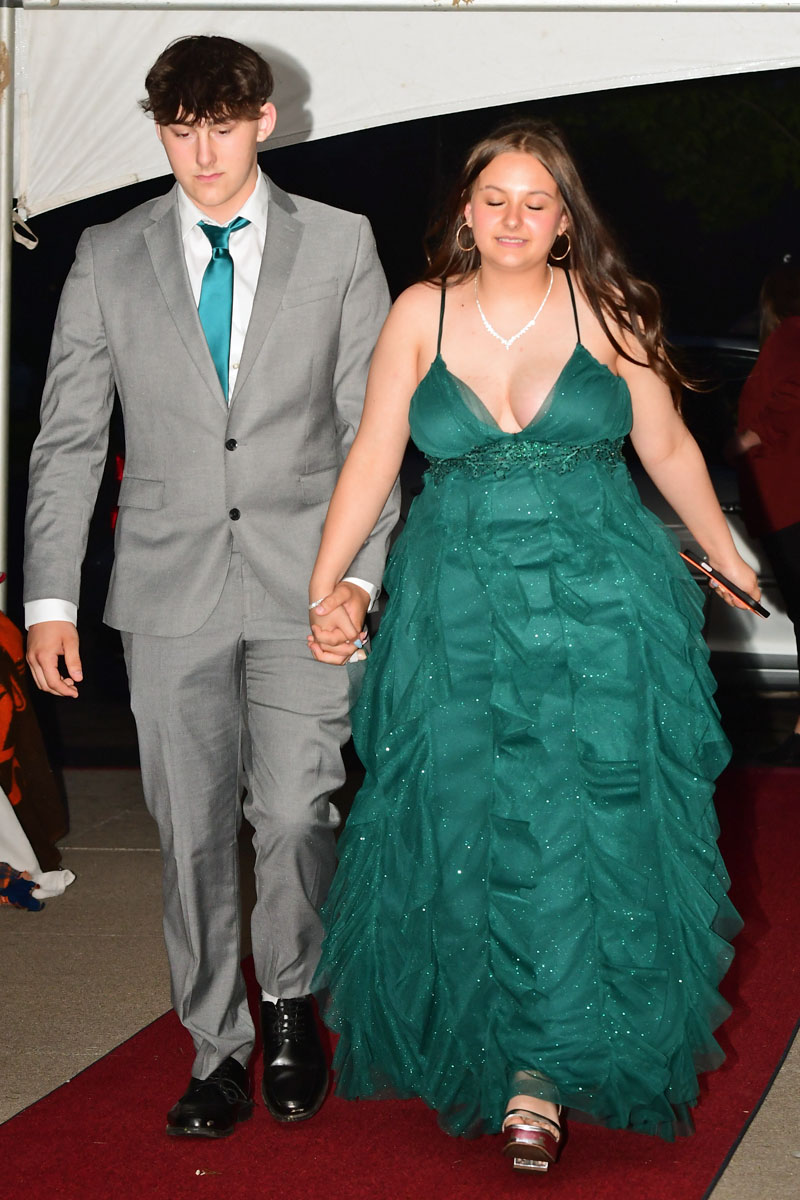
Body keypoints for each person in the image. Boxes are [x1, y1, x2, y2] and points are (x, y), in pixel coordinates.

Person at [306, 119, 758, 1173]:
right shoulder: (420, 313)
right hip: (452, 614)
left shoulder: (603, 311)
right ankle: (493, 1039)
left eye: (535, 202)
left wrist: (728, 558)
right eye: (494, 198)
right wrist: (323, 588)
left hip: (597, 609)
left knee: (572, 829)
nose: (512, 218)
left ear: (563, 223)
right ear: (465, 211)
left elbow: (664, 443)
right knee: (465, 821)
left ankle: (539, 1075)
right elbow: (373, 450)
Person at [23, 35, 397, 1138]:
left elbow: (370, 436)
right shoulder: (107, 252)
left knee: (291, 812)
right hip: (166, 589)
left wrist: (361, 583)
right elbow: (69, 438)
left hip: (307, 587)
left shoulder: (340, 245)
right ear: (160, 129)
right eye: (180, 128)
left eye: (221, 125)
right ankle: (217, 1047)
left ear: (263, 120)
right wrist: (49, 599)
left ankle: (289, 1006)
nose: (201, 150)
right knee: (187, 831)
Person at [729, 258, 800, 765]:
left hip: (790, 500)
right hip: (781, 501)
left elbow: (793, 396)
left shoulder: (793, 334)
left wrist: (747, 438)